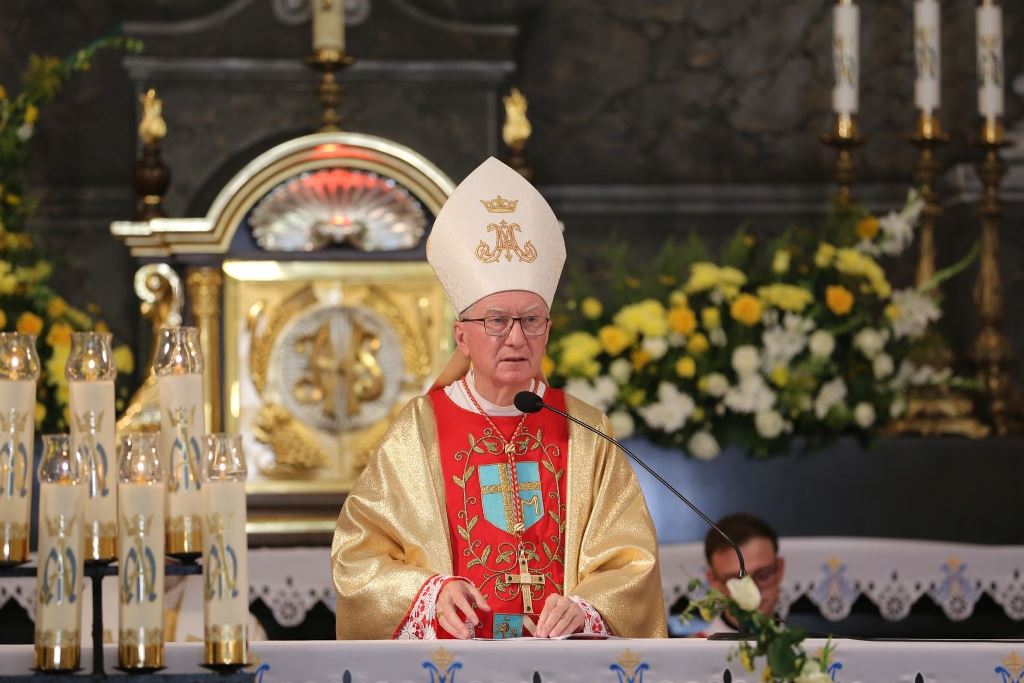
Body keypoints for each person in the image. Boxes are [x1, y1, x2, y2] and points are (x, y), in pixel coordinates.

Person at [331, 157, 666, 640]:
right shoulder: (422, 428)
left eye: (531, 320)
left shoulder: (584, 428)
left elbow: (631, 558)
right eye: (496, 321)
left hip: (561, 664)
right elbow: (358, 556)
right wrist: (430, 593)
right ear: (462, 337)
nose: (516, 338)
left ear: (547, 330)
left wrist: (586, 607)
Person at [702, 512, 786, 635]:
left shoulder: (813, 648)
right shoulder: (690, 652)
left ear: (780, 569)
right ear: (713, 581)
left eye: (763, 575)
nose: (753, 592)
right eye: (736, 581)